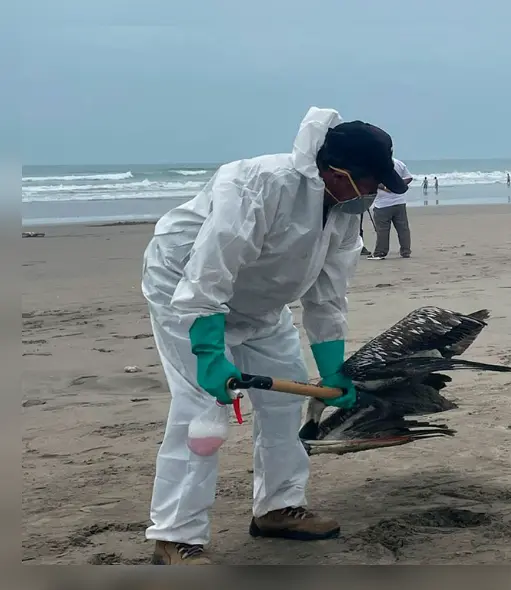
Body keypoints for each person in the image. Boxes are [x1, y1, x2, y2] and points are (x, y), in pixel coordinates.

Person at [139, 107, 409, 565]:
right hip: (185, 291)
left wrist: (331, 370)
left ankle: (279, 508)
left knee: (285, 400)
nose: (373, 194)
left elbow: (327, 296)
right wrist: (208, 351)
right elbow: (208, 275)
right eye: (369, 183)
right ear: (336, 172)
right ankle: (175, 536)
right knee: (204, 416)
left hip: (262, 305)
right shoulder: (257, 186)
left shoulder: (344, 212)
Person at [369, 157, 415, 259]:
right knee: (403, 228)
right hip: (399, 201)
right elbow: (409, 177)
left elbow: (372, 181)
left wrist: (386, 187)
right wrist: (398, 185)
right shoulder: (399, 163)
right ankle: (406, 251)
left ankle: (380, 252)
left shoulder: (375, 163)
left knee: (382, 230)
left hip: (382, 203)